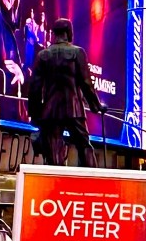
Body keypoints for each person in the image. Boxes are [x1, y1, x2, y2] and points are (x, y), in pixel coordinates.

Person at [26, 17, 103, 167]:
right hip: (74, 109)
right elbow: (86, 83)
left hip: (51, 111)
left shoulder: (43, 55)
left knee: (53, 148)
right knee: (84, 146)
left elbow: (34, 88)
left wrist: (35, 115)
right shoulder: (77, 53)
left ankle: (56, 181)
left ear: (54, 33)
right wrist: (96, 106)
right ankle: (93, 179)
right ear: (69, 32)